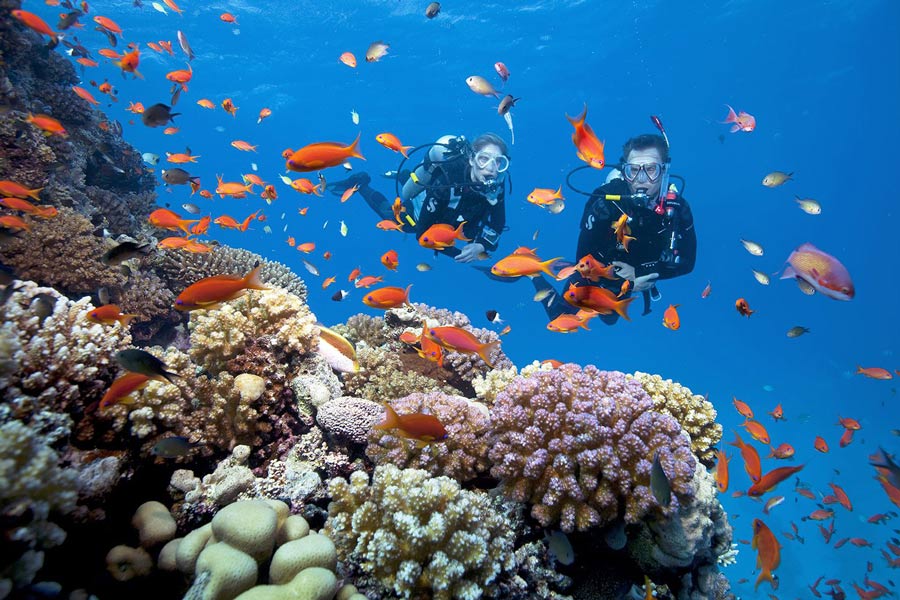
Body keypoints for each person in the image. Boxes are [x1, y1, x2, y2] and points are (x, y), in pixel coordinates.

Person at [534, 133, 697, 324]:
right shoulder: (605, 203)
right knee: (561, 319)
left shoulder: (677, 208)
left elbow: (687, 263)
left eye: (651, 169)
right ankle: (535, 275)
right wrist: (622, 281)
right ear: (624, 171)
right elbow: (582, 257)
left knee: (610, 318)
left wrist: (640, 274)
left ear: (664, 171)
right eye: (633, 170)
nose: (641, 179)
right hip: (602, 271)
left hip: (641, 274)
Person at [330, 133, 510, 263]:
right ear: (472, 159)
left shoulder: (495, 187)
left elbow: (497, 223)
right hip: (423, 212)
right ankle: (361, 183)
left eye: (498, 162)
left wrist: (480, 247)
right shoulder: (446, 182)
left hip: (454, 222)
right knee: (391, 217)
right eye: (483, 159)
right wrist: (457, 252)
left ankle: (405, 176)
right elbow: (421, 233)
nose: (491, 168)